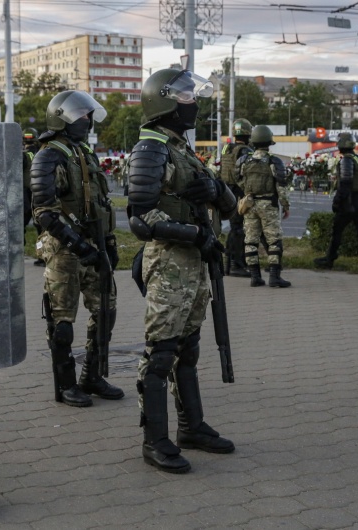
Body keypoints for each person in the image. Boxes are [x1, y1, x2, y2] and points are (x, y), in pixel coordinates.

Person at [127, 68, 236, 473]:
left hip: (193, 264)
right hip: (170, 263)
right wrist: (194, 234)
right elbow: (140, 218)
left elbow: (228, 206)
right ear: (167, 102)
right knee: (161, 354)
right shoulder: (151, 149)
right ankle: (154, 439)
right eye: (188, 96)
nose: (195, 103)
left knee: (188, 349)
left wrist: (216, 190)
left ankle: (191, 427)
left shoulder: (183, 149)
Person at [30, 90, 124, 408]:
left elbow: (100, 202)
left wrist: (108, 243)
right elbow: (44, 212)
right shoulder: (48, 156)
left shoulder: (84, 153)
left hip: (93, 244)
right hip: (64, 248)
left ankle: (92, 377)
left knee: (105, 312)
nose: (87, 121)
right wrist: (77, 244)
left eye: (88, 115)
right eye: (81, 115)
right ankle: (66, 384)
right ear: (63, 118)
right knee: (61, 321)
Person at [313, 132, 358, 269]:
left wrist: (337, 201)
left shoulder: (346, 160)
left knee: (337, 230)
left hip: (348, 201)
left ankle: (330, 258)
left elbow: (345, 182)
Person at [235, 125, 291, 287]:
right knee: (274, 240)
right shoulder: (274, 161)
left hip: (250, 203)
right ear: (269, 142)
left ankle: (255, 276)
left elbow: (239, 181)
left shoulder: (244, 160)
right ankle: (274, 276)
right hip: (268, 204)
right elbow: (281, 186)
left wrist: (248, 193)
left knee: (251, 240)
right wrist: (285, 206)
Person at [218, 119, 253, 277]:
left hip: (226, 190)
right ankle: (236, 264)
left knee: (234, 228)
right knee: (238, 229)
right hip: (238, 190)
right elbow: (246, 173)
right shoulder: (244, 150)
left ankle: (228, 263)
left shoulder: (227, 147)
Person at [22, 127, 45, 266]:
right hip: (39, 195)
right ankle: (42, 256)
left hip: (25, 195)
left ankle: (18, 254)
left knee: (19, 227)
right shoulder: (41, 154)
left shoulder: (23, 155)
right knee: (41, 229)